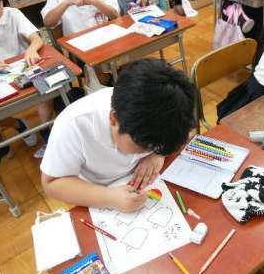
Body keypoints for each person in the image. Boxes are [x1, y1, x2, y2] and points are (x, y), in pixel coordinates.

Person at [40, 59, 195, 212]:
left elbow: (189, 132)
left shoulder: (173, 113)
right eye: (144, 146)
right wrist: (108, 197)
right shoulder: (74, 124)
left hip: (142, 182)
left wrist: (158, 154)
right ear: (113, 119)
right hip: (94, 191)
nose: (151, 149)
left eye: (157, 146)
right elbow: (52, 183)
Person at [0, 0, 53, 157]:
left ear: (2, 2)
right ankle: (19, 125)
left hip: (24, 66)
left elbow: (36, 38)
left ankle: (46, 132)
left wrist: (31, 49)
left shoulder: (12, 14)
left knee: (46, 89)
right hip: (1, 75)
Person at [41, 0, 119, 37]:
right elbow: (48, 22)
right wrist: (67, 2)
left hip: (104, 36)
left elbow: (115, 14)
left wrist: (93, 1)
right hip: (76, 42)